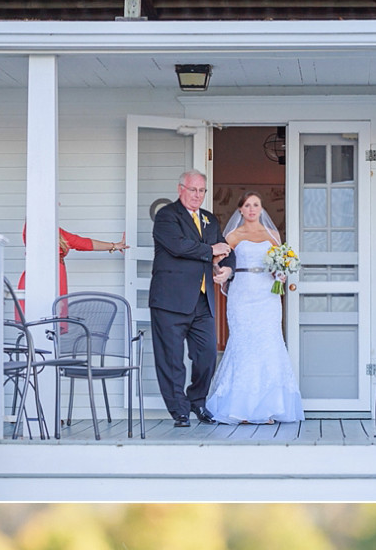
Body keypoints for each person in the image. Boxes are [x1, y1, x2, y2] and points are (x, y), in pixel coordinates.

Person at [206, 193, 304, 425]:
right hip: (242, 293)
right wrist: (219, 272)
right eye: (247, 205)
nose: (252, 209)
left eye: (256, 205)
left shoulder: (272, 235)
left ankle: (269, 407)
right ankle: (240, 409)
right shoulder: (233, 235)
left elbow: (282, 261)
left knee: (269, 343)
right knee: (243, 343)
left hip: (267, 295)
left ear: (261, 209)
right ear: (240, 209)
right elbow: (217, 260)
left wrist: (281, 272)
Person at [148, 170, 235, 428]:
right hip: (170, 301)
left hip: (202, 299)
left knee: (207, 355)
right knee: (172, 359)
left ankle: (197, 400)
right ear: (180, 189)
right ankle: (179, 410)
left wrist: (228, 268)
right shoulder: (167, 216)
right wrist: (211, 251)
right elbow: (179, 246)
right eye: (192, 189)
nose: (197, 195)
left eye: (202, 191)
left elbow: (225, 249)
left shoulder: (209, 219)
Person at [18, 225, 129, 297]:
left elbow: (83, 243)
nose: (59, 204)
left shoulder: (57, 231)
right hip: (40, 276)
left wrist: (114, 246)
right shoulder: (32, 225)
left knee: (54, 322)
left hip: (57, 276)